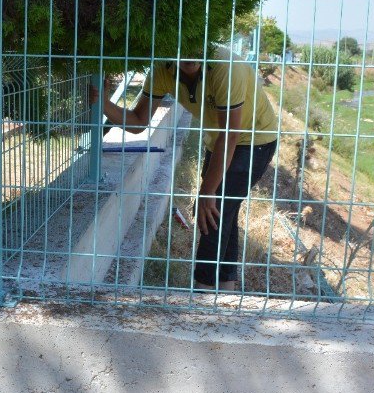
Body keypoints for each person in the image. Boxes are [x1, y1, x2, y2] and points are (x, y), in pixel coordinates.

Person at [91, 50, 278, 291]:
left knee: (213, 211)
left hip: (255, 139)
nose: (190, 53)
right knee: (222, 214)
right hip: (219, 141)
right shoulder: (161, 70)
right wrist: (103, 102)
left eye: (197, 46)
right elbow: (138, 121)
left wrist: (207, 191)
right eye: (182, 46)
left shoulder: (224, 67)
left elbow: (231, 134)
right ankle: (225, 292)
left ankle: (203, 293)